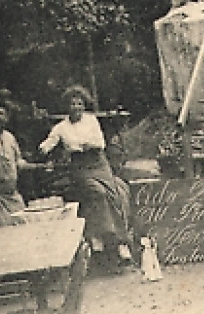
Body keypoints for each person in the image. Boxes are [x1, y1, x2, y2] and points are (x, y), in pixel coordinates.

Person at [38, 85, 133, 263]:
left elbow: (99, 142)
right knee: (97, 192)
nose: (76, 107)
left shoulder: (91, 121)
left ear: (84, 105)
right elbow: (50, 141)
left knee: (113, 195)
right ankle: (103, 235)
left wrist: (82, 145)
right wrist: (44, 148)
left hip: (98, 162)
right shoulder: (61, 127)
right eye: (72, 104)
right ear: (67, 107)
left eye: (79, 103)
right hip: (80, 167)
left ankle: (121, 243)